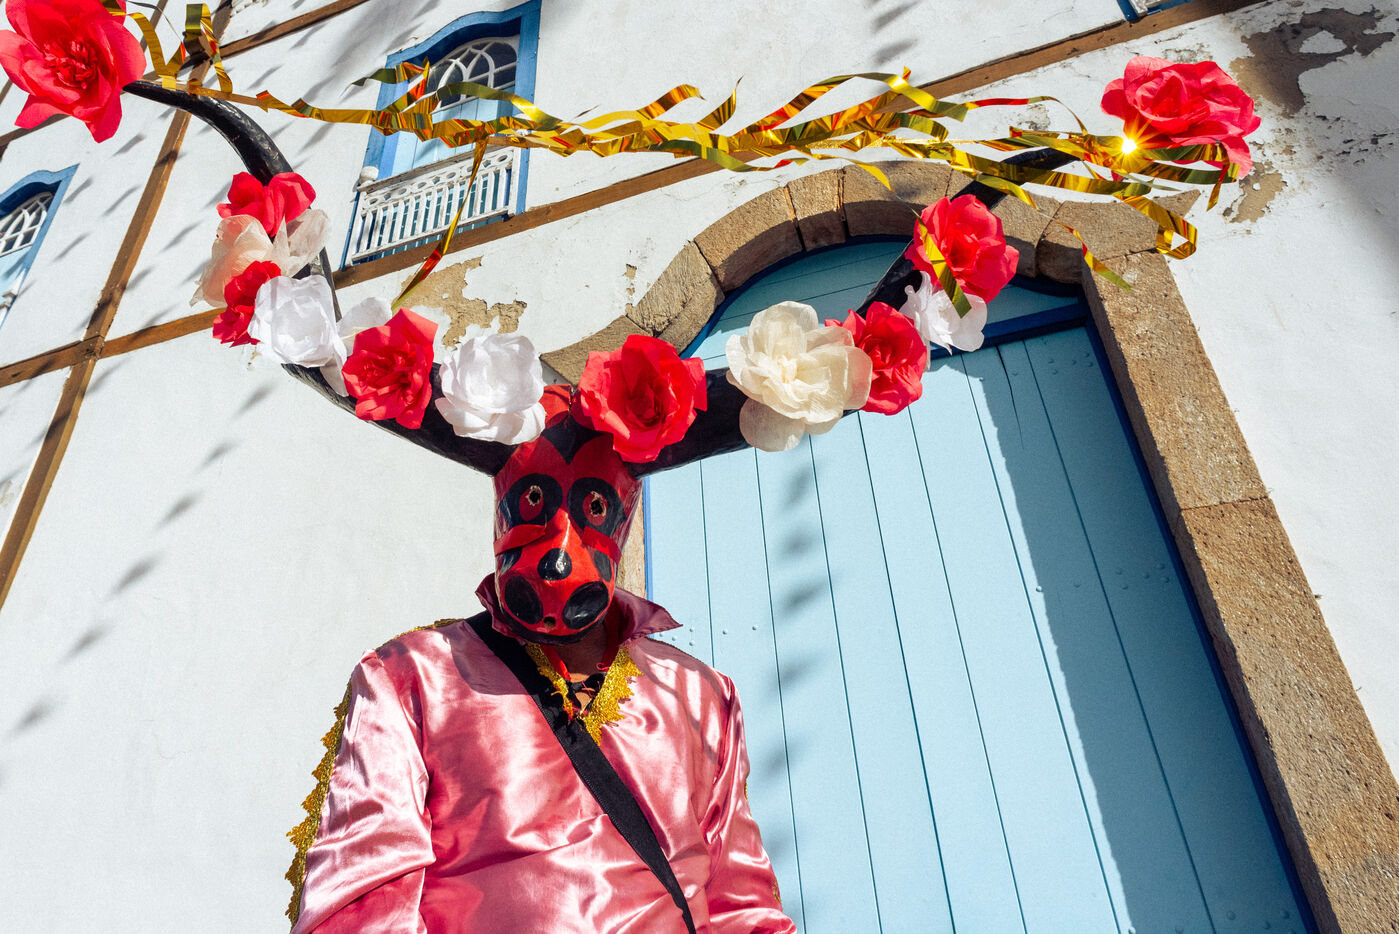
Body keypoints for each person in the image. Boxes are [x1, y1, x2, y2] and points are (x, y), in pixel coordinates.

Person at [287, 385, 795, 933]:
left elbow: (742, 907)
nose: (558, 554)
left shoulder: (700, 694)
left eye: (593, 508)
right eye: (534, 503)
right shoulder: (413, 676)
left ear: (622, 519)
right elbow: (362, 901)